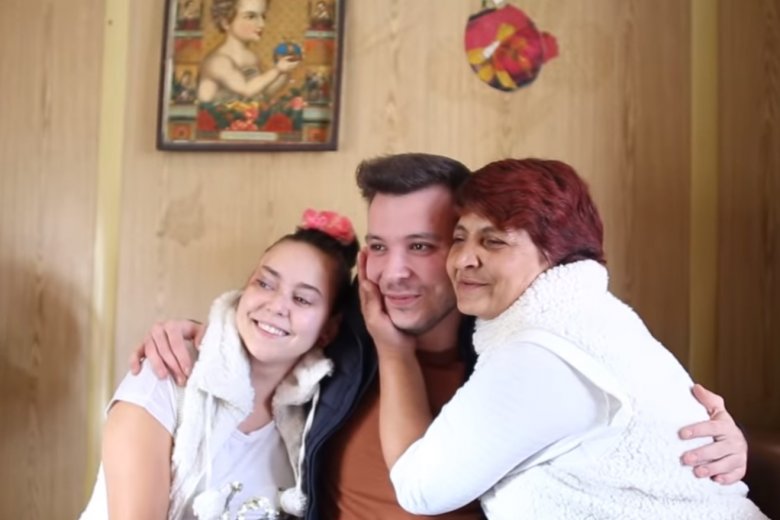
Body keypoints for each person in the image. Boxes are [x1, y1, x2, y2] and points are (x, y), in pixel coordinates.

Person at [131, 154, 750, 519]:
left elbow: (637, 423)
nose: (393, 272)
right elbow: (265, 325)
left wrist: (725, 444)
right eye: (378, 247)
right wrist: (193, 334)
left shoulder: (517, 352)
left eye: (423, 246)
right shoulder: (343, 337)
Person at [358, 158, 767, 519]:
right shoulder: (344, 329)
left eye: (494, 240)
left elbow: (420, 490)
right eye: (461, 237)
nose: (464, 258)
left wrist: (394, 352)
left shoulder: (541, 350)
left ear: (555, 252)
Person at [81, 209, 358, 519]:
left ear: (329, 329)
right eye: (265, 284)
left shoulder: (315, 421)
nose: (276, 305)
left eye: (302, 299)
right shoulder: (166, 374)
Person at [197, 0, 299, 104]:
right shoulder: (218, 61)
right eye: (251, 17)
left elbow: (263, 93)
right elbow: (247, 90)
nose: (262, 24)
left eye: (263, 17)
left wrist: (285, 71)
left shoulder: (251, 57)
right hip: (220, 114)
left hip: (246, 113)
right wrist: (277, 70)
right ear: (226, 22)